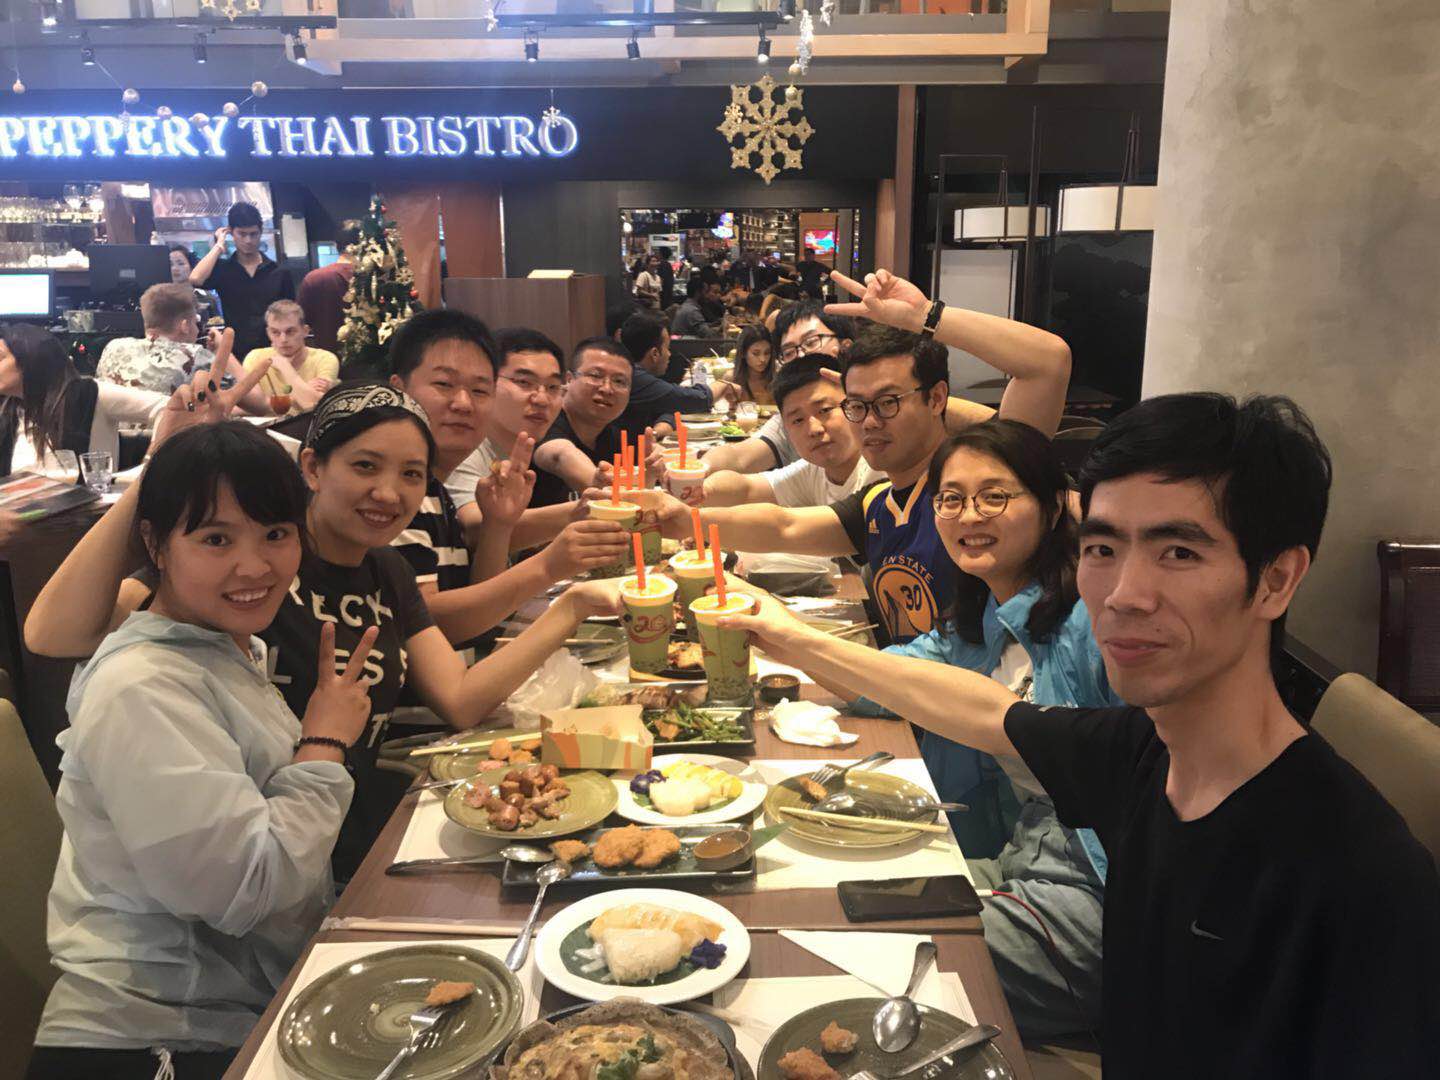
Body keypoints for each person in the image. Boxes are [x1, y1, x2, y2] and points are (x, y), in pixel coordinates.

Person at [726, 393, 1440, 1077]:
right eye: (1102, 548)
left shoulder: (1359, 877)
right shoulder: (1135, 755)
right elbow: (985, 711)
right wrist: (783, 636)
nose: (1123, 595)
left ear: (1276, 580)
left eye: (1178, 553)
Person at [26, 369, 630, 883]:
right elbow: (55, 634)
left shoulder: (384, 569)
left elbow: (461, 698)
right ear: (312, 467)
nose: (388, 493)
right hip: (257, 873)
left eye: (412, 475)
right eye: (365, 466)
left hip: (343, 852)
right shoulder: (250, 572)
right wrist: (166, 466)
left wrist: (569, 606)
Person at [25, 419, 370, 1080]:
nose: (254, 566)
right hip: (155, 1037)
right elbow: (246, 890)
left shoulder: (221, 648)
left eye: (276, 534)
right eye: (216, 539)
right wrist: (324, 743)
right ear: (155, 543)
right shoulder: (141, 686)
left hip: (244, 1007)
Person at [383, 311, 629, 644]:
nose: (463, 403)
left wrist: (500, 526)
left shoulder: (436, 485)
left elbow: (479, 623)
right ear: (398, 388)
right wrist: (552, 562)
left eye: (478, 390)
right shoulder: (396, 490)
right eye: (444, 384)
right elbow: (427, 624)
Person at [702, 353, 877, 510]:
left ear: (853, 405)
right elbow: (746, 489)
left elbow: (787, 526)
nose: (814, 429)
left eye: (824, 410)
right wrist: (698, 482)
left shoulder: (881, 469)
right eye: (798, 420)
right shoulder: (813, 472)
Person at [0, 321, 166, 476]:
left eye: (0, 357)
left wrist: (146, 466)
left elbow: (166, 407)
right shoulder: (10, 409)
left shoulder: (88, 394)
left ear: (31, 359)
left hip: (88, 496)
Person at [444, 328, 570, 510]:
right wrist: (581, 510)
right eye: (524, 382)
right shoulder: (462, 448)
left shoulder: (529, 451)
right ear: (485, 383)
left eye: (553, 387)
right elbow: (474, 522)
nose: (542, 400)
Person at [529, 337, 666, 498]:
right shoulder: (545, 422)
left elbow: (633, 500)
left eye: (619, 381)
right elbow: (559, 455)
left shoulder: (617, 436)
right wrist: (596, 480)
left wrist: (650, 473)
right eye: (595, 376)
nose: (607, 389)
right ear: (569, 380)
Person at [188, 202, 295, 361]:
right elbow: (195, 278)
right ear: (231, 232)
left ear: (261, 232)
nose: (248, 240)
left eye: (253, 234)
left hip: (274, 354)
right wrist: (219, 245)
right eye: (242, 234)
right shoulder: (223, 269)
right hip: (236, 355)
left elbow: (291, 316)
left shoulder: (279, 272)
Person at [614, 311, 734, 436]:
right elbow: (695, 399)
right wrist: (724, 384)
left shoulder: (635, 373)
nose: (669, 354)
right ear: (654, 353)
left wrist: (659, 428)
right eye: (667, 348)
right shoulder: (635, 377)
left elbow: (669, 405)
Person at [95, 283, 214, 396]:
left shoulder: (114, 347)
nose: (197, 330)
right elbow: (224, 399)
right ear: (185, 326)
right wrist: (219, 352)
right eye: (195, 322)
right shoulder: (198, 356)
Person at [241, 299, 340, 415]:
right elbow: (250, 406)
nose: (283, 339)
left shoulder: (325, 359)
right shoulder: (255, 358)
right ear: (268, 333)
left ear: (305, 331)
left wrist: (285, 367)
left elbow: (313, 406)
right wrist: (299, 394)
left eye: (290, 331)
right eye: (275, 332)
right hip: (266, 426)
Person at [297, 220, 360, 353]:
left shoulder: (314, 279)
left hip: (327, 360)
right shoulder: (378, 278)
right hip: (374, 362)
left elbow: (299, 326)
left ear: (335, 245)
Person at [730, 324, 776, 407]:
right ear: (743, 353)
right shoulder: (731, 379)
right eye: (756, 353)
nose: (763, 359)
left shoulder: (778, 378)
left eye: (767, 353)